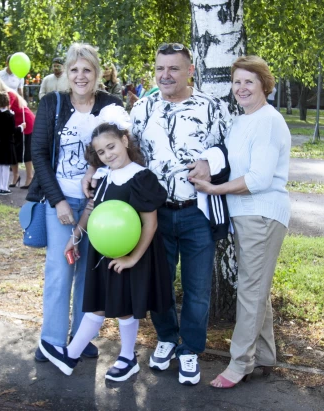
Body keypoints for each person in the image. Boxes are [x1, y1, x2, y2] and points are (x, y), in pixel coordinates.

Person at [113, 42, 230, 385]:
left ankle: (190, 349)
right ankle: (166, 338)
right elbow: (129, 155)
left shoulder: (212, 108)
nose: (165, 75)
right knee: (158, 284)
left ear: (190, 71)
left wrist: (212, 161)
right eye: (160, 68)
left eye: (174, 68)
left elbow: (229, 149)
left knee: (197, 289)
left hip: (198, 212)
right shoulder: (142, 109)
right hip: (155, 215)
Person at [41, 107, 173, 381]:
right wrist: (74, 236)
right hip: (105, 253)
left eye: (111, 147)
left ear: (125, 141)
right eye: (101, 152)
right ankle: (72, 355)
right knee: (98, 304)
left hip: (131, 255)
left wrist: (133, 258)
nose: (108, 154)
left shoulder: (141, 177)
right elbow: (91, 210)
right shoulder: (104, 177)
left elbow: (151, 223)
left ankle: (125, 358)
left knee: (124, 306)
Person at [190, 55, 291, 389]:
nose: (242, 88)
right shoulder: (242, 120)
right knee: (254, 287)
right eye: (237, 81)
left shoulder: (268, 121)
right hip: (245, 214)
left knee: (250, 289)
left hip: (261, 212)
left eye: (250, 81)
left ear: (264, 84)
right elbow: (226, 156)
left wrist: (216, 188)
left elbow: (260, 178)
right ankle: (263, 355)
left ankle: (240, 363)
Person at [26, 42, 123, 364]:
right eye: (74, 70)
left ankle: (81, 338)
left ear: (97, 74)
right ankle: (51, 340)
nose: (81, 76)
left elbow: (122, 149)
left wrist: (96, 171)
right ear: (67, 74)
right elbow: (38, 154)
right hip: (62, 201)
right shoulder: (52, 103)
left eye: (87, 70)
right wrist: (58, 202)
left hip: (100, 203)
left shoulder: (111, 105)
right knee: (59, 268)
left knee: (88, 271)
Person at [0, 75, 36, 188]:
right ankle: (15, 176)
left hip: (25, 123)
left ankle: (30, 177)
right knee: (13, 151)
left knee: (25, 152)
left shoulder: (9, 94)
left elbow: (4, 109)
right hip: (13, 125)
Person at [0, 91, 25, 195]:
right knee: (5, 166)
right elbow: (12, 131)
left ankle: (0, 186)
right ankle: (4, 187)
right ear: (8, 102)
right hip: (7, 144)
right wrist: (21, 127)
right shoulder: (10, 115)